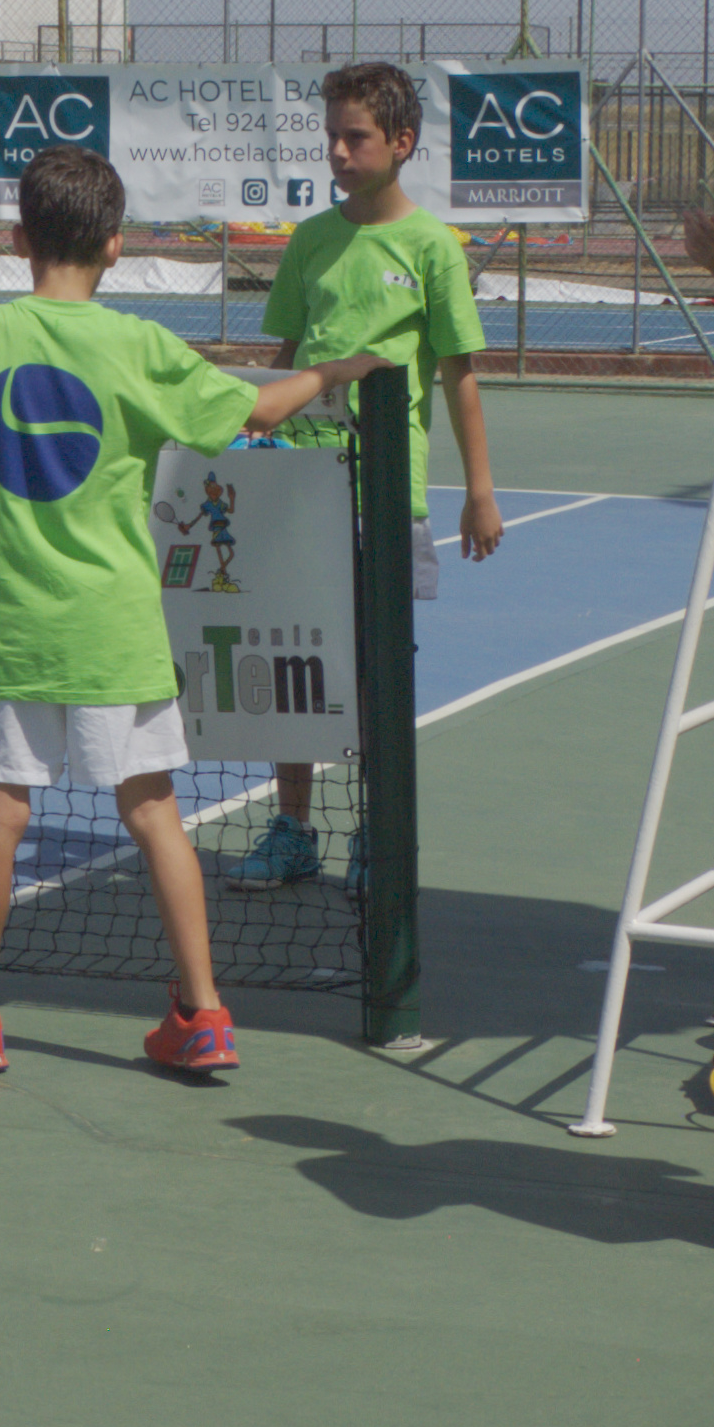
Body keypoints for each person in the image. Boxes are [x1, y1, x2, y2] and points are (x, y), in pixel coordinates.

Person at [0, 146, 333, 1079]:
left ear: (19, 240)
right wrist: (344, 368)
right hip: (117, 626)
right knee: (155, 809)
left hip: (11, 625)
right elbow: (257, 413)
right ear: (116, 246)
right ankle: (203, 1014)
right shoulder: (139, 343)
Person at [235, 59, 503, 890]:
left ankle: (377, 837)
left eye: (356, 138)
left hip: (383, 495)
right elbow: (285, 360)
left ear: (401, 141)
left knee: (376, 673)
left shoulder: (432, 248)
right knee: (290, 665)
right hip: (296, 488)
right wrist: (246, 440)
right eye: (332, 137)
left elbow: (459, 375)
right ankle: (293, 829)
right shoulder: (311, 240)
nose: (339, 153)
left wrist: (481, 493)